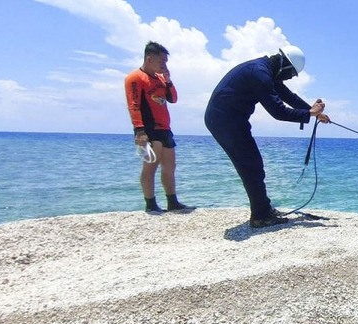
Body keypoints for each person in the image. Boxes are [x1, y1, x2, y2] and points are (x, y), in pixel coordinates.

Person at [205, 45, 330, 228]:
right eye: (290, 75)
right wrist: (309, 114)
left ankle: (263, 209)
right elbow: (278, 111)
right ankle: (260, 216)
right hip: (224, 119)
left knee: (252, 163)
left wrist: (314, 113)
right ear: (284, 66)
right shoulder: (260, 74)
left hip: (230, 118)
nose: (289, 78)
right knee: (251, 165)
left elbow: (289, 96)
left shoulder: (267, 70)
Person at [124, 41, 192, 214]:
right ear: (149, 58)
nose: (164, 65)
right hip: (148, 129)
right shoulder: (135, 78)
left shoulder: (161, 79)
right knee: (150, 166)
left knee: (170, 167)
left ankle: (172, 201)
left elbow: (173, 99)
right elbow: (134, 105)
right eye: (162, 61)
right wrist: (139, 130)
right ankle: (150, 203)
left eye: (166, 61)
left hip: (165, 128)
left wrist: (168, 81)